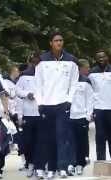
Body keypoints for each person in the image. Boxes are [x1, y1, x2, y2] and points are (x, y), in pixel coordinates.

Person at [35, 32, 79, 178]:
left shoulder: (71, 61)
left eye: (61, 40)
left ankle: (62, 167)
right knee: (48, 138)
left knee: (62, 137)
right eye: (56, 40)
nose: (59, 42)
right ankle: (51, 168)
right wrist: (40, 103)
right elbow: (38, 84)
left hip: (62, 104)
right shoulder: (42, 61)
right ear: (51, 43)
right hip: (47, 104)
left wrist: (69, 100)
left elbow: (74, 83)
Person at [15, 53, 41, 178]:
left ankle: (40, 165)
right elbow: (17, 91)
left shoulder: (45, 75)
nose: (35, 64)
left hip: (41, 113)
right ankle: (30, 164)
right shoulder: (24, 75)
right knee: (28, 141)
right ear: (30, 62)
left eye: (37, 62)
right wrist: (27, 94)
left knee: (41, 141)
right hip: (28, 114)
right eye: (33, 62)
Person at [69, 59, 93, 175]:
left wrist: (88, 115)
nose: (88, 70)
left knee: (81, 141)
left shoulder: (86, 81)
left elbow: (90, 99)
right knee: (70, 141)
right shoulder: (67, 81)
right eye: (86, 67)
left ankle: (80, 163)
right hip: (69, 116)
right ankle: (71, 162)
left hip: (82, 116)